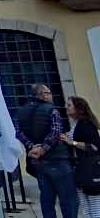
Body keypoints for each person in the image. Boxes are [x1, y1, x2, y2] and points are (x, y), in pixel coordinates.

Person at [15, 83, 78, 218]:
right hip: (58, 160)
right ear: (42, 95)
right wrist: (42, 149)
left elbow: (18, 133)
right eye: (48, 93)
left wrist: (32, 146)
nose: (50, 95)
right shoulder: (51, 110)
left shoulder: (21, 112)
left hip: (37, 163)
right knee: (68, 199)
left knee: (47, 199)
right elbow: (55, 132)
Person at [63, 96, 100, 218]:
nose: (66, 107)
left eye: (69, 105)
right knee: (85, 207)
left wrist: (71, 142)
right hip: (80, 169)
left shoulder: (86, 124)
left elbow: (94, 147)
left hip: (90, 169)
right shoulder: (75, 124)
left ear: (79, 108)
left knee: (94, 206)